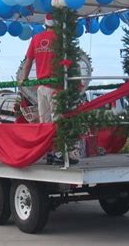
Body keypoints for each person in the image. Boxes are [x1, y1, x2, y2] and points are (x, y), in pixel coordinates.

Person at [19, 14, 78, 165]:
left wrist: (23, 80)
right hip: (56, 86)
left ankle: (49, 153)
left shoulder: (36, 39)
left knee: (45, 122)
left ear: (45, 24)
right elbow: (70, 62)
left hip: (41, 86)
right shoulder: (61, 39)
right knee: (58, 120)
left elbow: (28, 62)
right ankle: (60, 154)